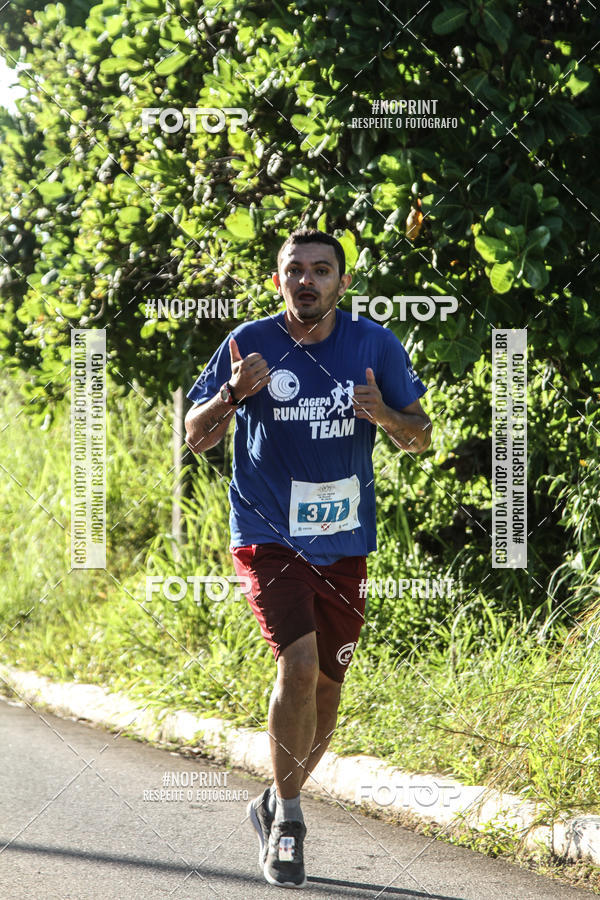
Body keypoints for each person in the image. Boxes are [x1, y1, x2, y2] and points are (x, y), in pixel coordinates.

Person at [184, 228, 432, 889]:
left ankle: (272, 798)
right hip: (267, 535)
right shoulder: (248, 342)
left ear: (341, 284)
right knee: (296, 665)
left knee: (327, 688)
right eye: (295, 270)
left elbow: (422, 439)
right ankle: (291, 823)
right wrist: (232, 394)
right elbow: (196, 437)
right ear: (278, 281)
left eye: (322, 270)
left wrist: (385, 415)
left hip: (344, 541)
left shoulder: (374, 345)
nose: (308, 281)